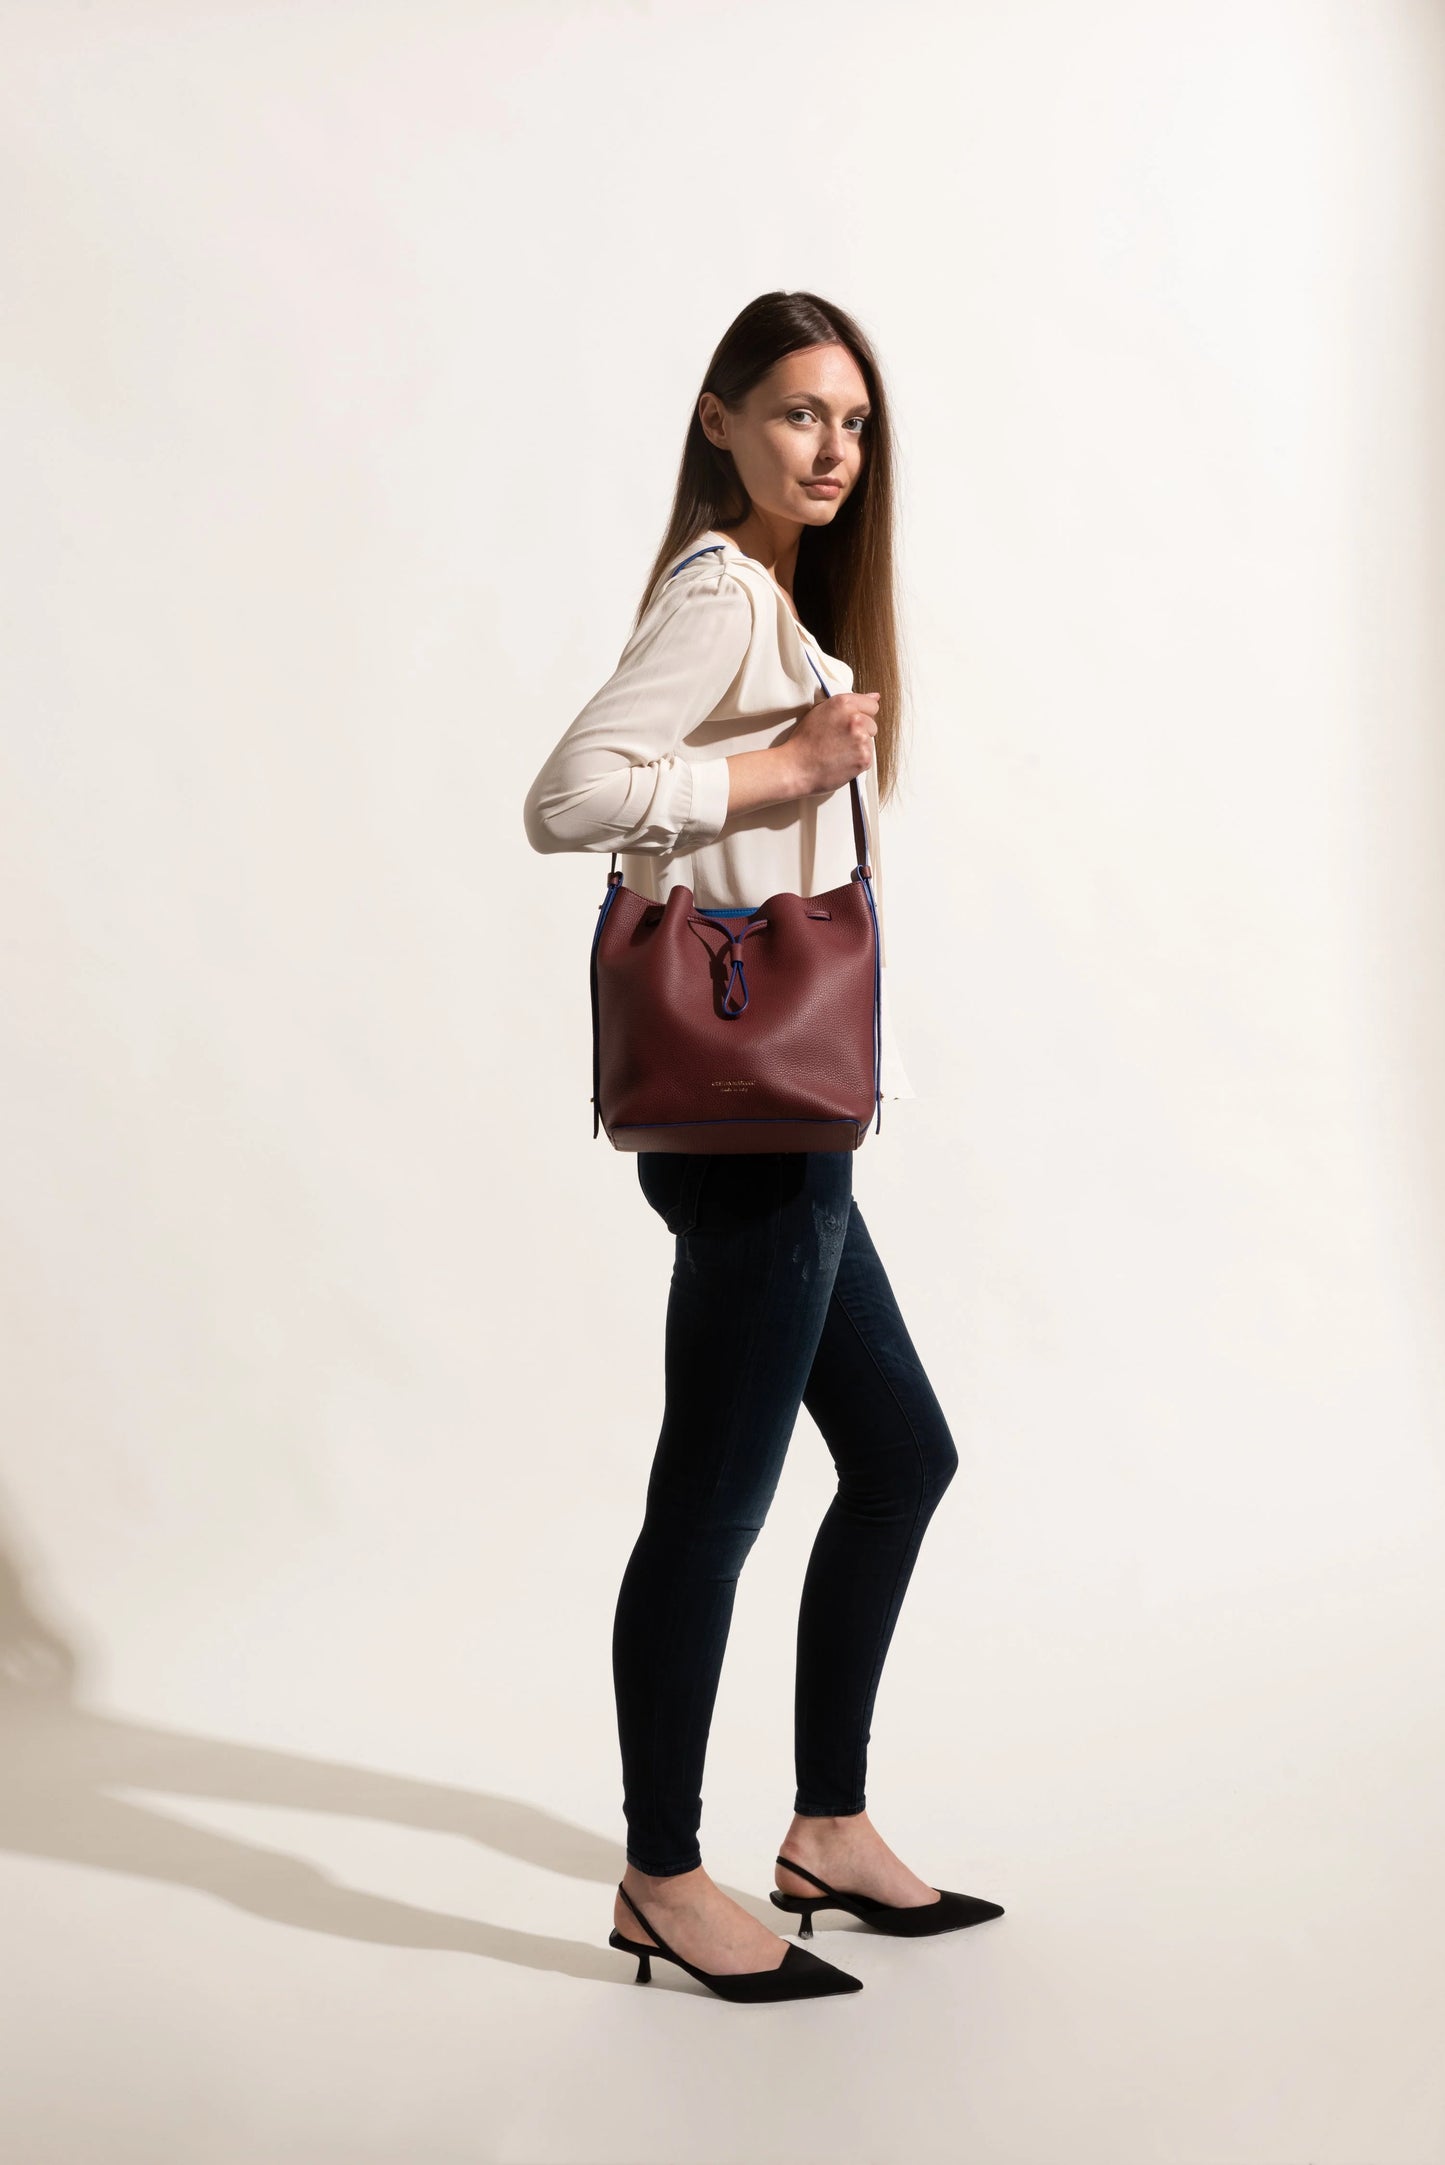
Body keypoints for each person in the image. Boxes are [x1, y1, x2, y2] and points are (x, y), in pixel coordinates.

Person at [523, 291, 1003, 2004]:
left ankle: (826, 1829)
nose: (832, 449)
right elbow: (566, 796)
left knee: (900, 1457)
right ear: (719, 420)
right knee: (710, 1508)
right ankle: (662, 1872)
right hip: (750, 1139)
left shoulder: (781, 609)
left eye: (853, 422)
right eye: (799, 412)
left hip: (793, 1136)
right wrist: (769, 774)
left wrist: (783, 760)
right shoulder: (723, 596)